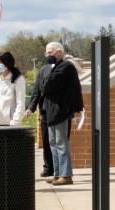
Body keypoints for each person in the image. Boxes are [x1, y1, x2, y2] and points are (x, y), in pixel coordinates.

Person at [25, 42, 82, 185]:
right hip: (49, 112)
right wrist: (31, 107)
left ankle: (66, 175)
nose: (48, 55)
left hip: (60, 111)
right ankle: (57, 174)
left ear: (60, 53)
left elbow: (48, 85)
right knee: (53, 143)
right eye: (47, 52)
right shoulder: (47, 68)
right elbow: (39, 89)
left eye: (51, 52)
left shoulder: (66, 67)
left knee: (61, 143)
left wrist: (45, 79)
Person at [0, 51, 26, 127]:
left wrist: (15, 122)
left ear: (7, 63)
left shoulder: (18, 79)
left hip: (10, 123)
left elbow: (20, 103)